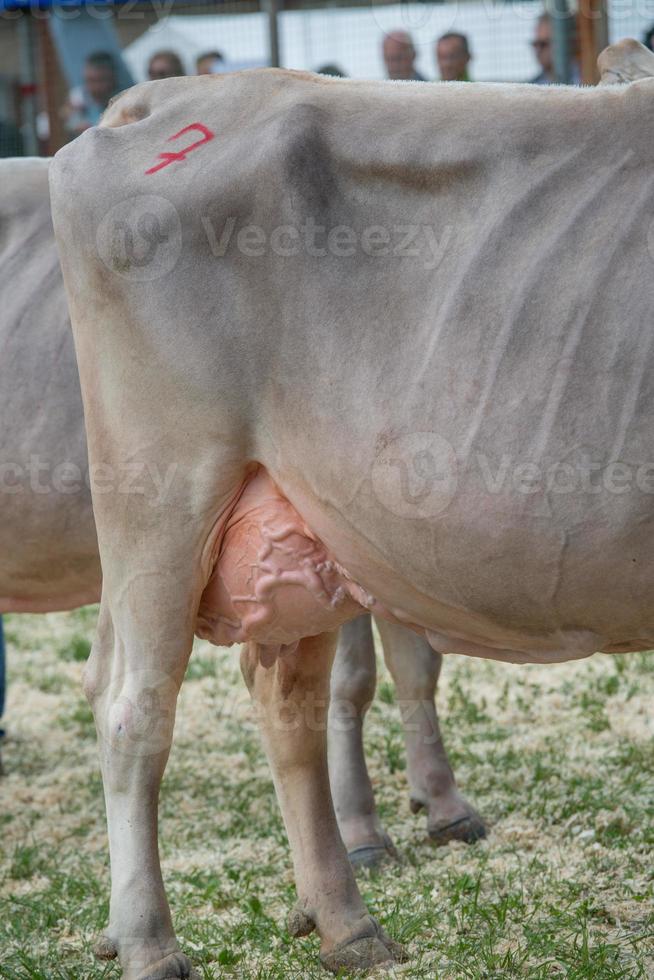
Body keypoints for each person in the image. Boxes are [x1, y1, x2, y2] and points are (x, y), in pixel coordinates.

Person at [62, 51, 119, 137]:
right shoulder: (78, 97)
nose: (95, 87)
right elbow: (70, 122)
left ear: (112, 79)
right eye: (90, 80)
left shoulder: (122, 99)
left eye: (100, 80)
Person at [529, 13, 580, 84]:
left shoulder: (586, 78)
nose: (538, 50)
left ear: (565, 43)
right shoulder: (535, 85)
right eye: (535, 44)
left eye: (543, 44)